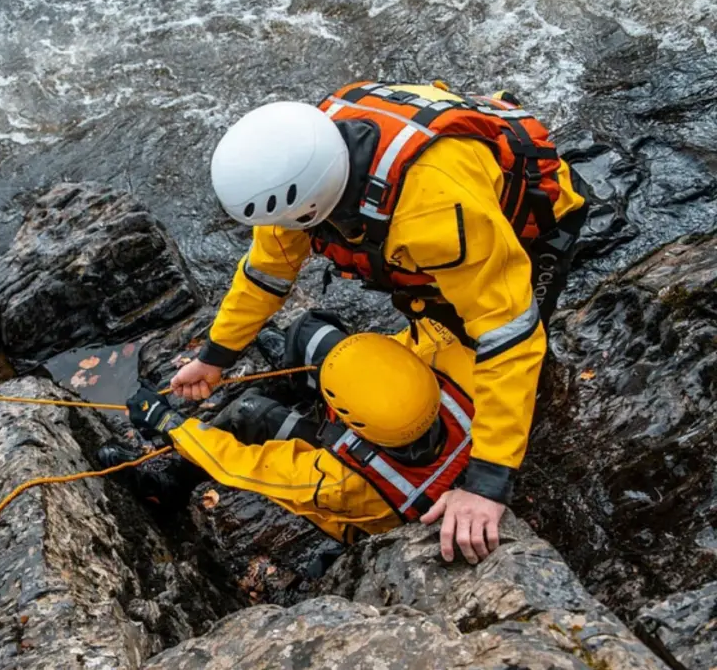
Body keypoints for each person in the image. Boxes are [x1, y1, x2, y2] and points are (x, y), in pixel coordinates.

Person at [169, 81, 590, 563]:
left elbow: (508, 331)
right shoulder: (303, 162)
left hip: (531, 218)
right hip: (444, 214)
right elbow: (267, 272)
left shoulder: (432, 210)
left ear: (313, 206)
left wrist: (486, 482)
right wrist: (216, 356)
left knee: (496, 347)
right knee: (441, 334)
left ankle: (491, 423)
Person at [124, 311, 483, 560]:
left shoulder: (336, 483)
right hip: (383, 432)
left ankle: (172, 484)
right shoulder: (463, 370)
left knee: (249, 414)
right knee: (310, 332)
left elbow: (244, 466)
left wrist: (168, 423)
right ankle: (296, 378)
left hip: (360, 489)